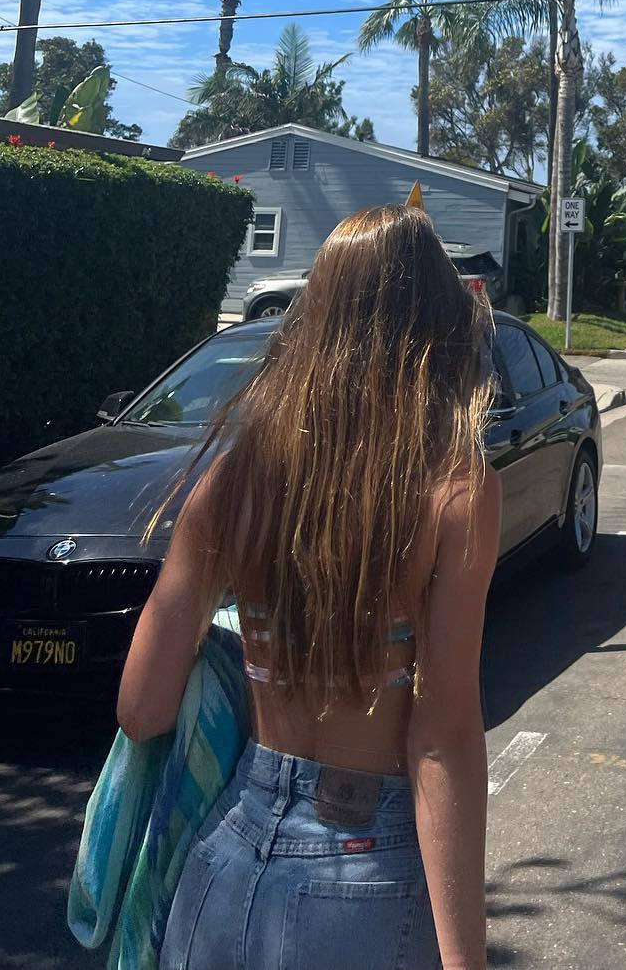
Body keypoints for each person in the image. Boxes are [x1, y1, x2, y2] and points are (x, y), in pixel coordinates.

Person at [116, 204, 500, 970]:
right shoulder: (455, 489)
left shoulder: (233, 480)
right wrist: (467, 959)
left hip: (222, 866)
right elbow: (442, 736)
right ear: (438, 329)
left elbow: (142, 708)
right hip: (360, 878)